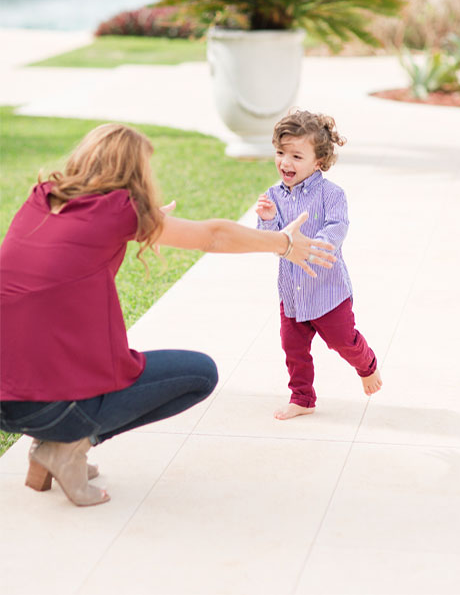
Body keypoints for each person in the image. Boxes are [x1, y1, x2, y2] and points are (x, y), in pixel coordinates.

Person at [0, 123, 337, 507]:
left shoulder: (41, 199)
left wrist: (129, 227)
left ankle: (58, 441)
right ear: (133, 174)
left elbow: (66, 262)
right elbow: (214, 235)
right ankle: (66, 443)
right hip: (45, 407)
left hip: (5, 400)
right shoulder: (116, 213)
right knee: (198, 374)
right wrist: (284, 242)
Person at [255, 110, 382, 421]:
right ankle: (302, 398)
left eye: (297, 156)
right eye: (281, 152)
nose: (285, 162)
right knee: (293, 349)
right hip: (293, 296)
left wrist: (314, 246)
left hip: (328, 293)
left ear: (319, 162)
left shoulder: (332, 195)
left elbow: (337, 227)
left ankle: (366, 364)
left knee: (343, 341)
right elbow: (270, 242)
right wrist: (269, 220)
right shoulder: (274, 196)